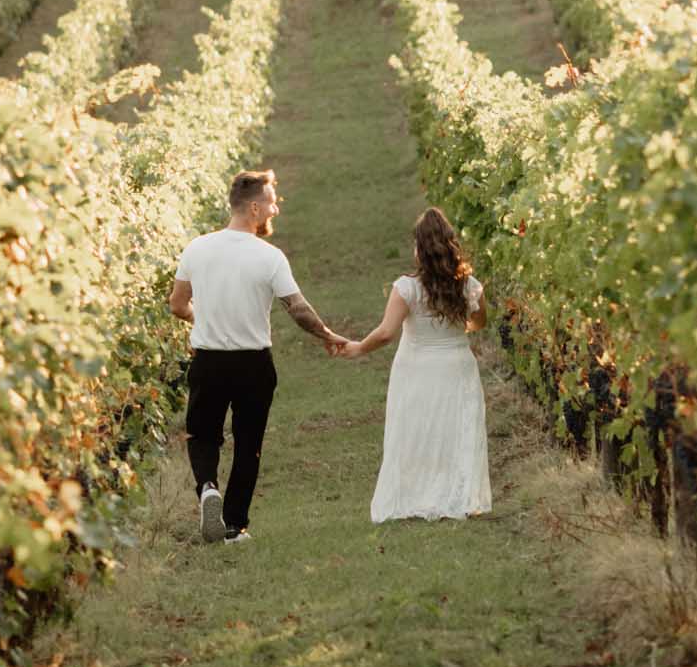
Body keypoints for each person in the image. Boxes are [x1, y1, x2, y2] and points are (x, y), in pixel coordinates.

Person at [170, 168, 342, 544]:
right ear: (252, 208)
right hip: (253, 364)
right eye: (271, 203)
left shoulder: (197, 248)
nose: (276, 209)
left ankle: (208, 488)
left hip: (209, 360)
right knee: (249, 444)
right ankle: (233, 526)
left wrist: (201, 317)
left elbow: (177, 304)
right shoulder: (269, 257)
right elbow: (296, 308)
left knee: (202, 436)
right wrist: (326, 334)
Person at [339, 207, 491, 523]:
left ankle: (417, 495)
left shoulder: (406, 288)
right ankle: (457, 496)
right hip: (457, 363)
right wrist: (451, 331)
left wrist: (358, 348)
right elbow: (479, 322)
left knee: (416, 429)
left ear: (419, 248)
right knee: (455, 429)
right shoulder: (470, 285)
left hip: (417, 366)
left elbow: (385, 333)